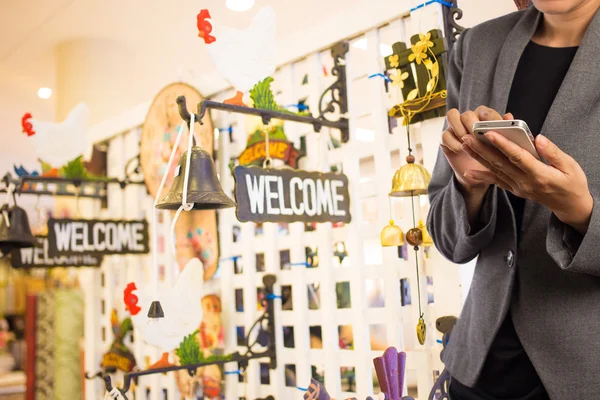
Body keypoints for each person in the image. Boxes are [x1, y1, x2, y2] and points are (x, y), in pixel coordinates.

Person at [426, 0, 600, 398]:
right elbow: (448, 238)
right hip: (478, 369)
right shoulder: (477, 46)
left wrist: (579, 211)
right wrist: (470, 186)